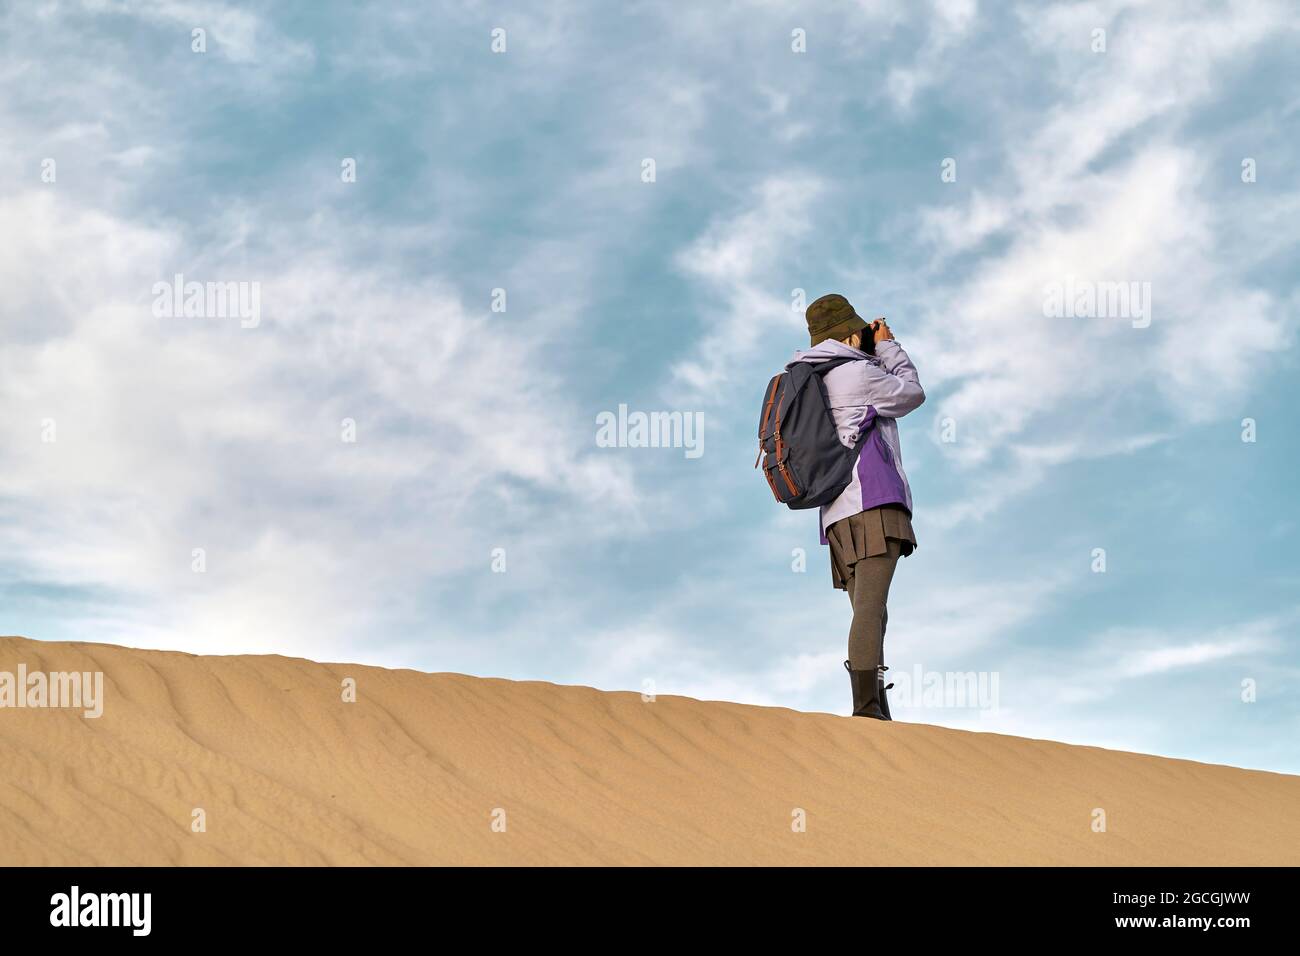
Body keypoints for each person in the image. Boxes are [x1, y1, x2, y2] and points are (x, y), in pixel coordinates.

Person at [790, 293, 925, 720]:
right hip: (872, 501)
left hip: (835, 515)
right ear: (850, 333)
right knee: (871, 608)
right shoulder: (857, 373)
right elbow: (911, 394)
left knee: (870, 607)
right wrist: (887, 345)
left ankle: (876, 706)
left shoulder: (815, 375)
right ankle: (867, 711)